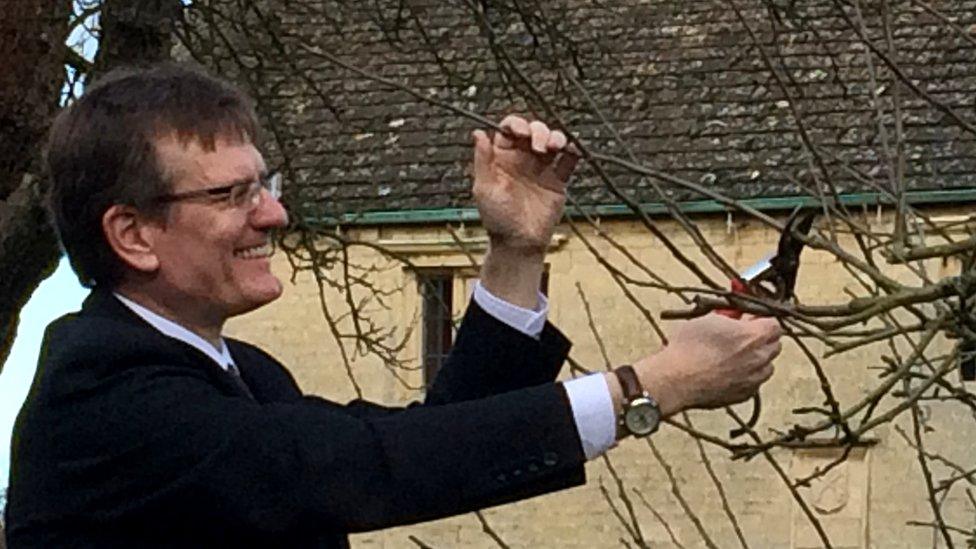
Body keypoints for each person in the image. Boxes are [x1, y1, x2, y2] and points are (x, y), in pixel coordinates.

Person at [4, 63, 782, 548]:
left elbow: (440, 442)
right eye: (232, 194)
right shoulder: (103, 394)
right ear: (133, 234)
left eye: (264, 186)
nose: (273, 215)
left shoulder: (247, 374)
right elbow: (372, 468)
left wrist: (515, 250)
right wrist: (649, 387)